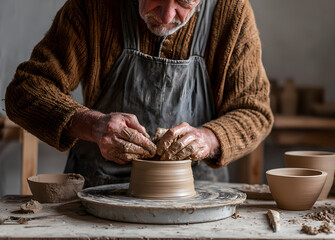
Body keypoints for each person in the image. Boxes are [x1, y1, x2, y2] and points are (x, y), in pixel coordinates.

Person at [5, 0, 273, 187]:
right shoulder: (94, 6)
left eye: (185, 1)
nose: (168, 16)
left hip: (194, 194)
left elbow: (255, 111)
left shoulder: (231, 13)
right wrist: (92, 125)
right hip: (99, 190)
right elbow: (24, 91)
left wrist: (210, 138)